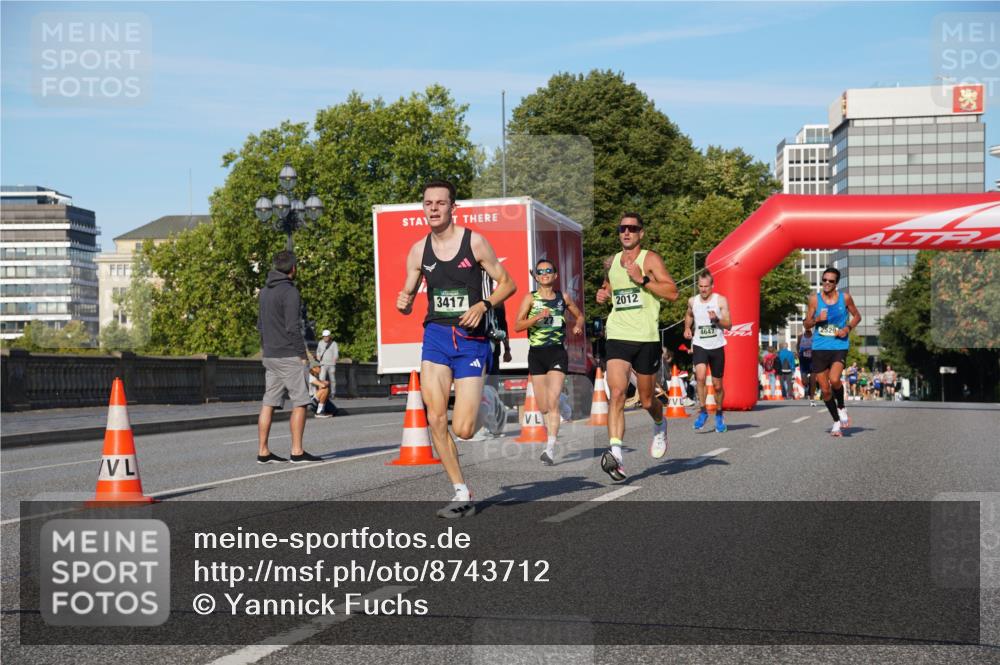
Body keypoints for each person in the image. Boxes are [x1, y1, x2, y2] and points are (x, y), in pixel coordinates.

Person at [396, 179, 515, 518]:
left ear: (452, 207)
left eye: (440, 203)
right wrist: (403, 302)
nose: (433, 208)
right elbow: (406, 298)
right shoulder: (418, 251)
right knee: (434, 417)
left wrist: (484, 305)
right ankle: (461, 491)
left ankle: (488, 402)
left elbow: (509, 283)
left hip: (470, 341)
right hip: (435, 336)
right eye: (428, 203)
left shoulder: (474, 242)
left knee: (462, 429)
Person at [595, 212, 678, 481]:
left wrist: (643, 279)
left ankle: (659, 422)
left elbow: (672, 293)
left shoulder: (650, 259)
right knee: (616, 392)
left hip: (646, 337)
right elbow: (608, 288)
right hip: (618, 334)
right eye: (623, 228)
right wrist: (603, 294)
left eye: (633, 228)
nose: (627, 232)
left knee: (645, 400)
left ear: (641, 233)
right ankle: (616, 455)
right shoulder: (613, 263)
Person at [514, 258, 584, 466]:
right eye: (540, 271)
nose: (544, 274)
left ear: (555, 275)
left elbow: (579, 316)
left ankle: (550, 449)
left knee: (550, 403)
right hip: (536, 354)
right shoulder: (530, 298)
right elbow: (518, 325)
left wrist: (577, 325)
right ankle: (561, 398)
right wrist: (536, 318)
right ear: (535, 276)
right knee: (544, 406)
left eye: (548, 271)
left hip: (556, 353)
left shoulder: (563, 297)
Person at [256, 250, 322, 464]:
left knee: (269, 402)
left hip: (270, 354)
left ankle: (263, 451)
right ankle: (297, 451)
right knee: (300, 402)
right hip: (288, 355)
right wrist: (303, 356)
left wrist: (266, 348)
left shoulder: (264, 292)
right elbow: (293, 328)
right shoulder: (290, 292)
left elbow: (260, 325)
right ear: (293, 268)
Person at [802, 266, 861, 437]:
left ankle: (841, 406)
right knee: (825, 390)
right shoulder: (814, 300)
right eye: (824, 280)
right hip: (819, 347)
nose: (827, 283)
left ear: (837, 283)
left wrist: (847, 328)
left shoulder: (845, 298)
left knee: (835, 379)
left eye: (831, 281)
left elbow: (857, 316)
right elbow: (806, 324)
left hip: (839, 345)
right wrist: (816, 320)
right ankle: (836, 421)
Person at [683, 271, 731, 432]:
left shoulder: (720, 300)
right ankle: (703, 411)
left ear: (712, 286)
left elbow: (729, 324)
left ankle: (718, 413)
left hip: (717, 345)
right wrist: (687, 327)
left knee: (717, 386)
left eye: (706, 287)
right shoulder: (693, 301)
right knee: (701, 376)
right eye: (700, 286)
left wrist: (716, 319)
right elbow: (689, 314)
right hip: (700, 344)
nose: (703, 290)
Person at [315, 330, 339, 416]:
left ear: (329, 336)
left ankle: (333, 393)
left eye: (327, 336)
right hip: (323, 364)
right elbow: (318, 351)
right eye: (324, 336)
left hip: (331, 364)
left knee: (332, 380)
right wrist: (318, 357)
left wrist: (334, 359)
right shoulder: (320, 343)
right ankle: (321, 393)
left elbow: (336, 353)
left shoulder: (334, 343)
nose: (325, 338)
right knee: (321, 379)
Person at [797, 329, 815, 405]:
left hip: (813, 360)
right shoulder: (801, 336)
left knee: (813, 379)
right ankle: (808, 387)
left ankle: (812, 396)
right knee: (805, 381)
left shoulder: (815, 336)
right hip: (803, 360)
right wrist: (798, 352)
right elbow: (798, 345)